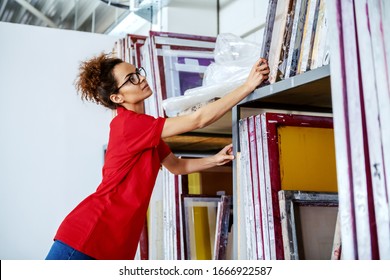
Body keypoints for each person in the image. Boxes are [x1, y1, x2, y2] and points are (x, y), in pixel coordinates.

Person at [45, 53, 269, 260]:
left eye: (138, 73)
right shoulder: (129, 125)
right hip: (89, 235)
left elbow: (176, 166)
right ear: (117, 97)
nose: (141, 79)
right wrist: (248, 85)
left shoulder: (145, 130)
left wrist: (214, 159)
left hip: (114, 241)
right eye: (131, 79)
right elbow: (197, 119)